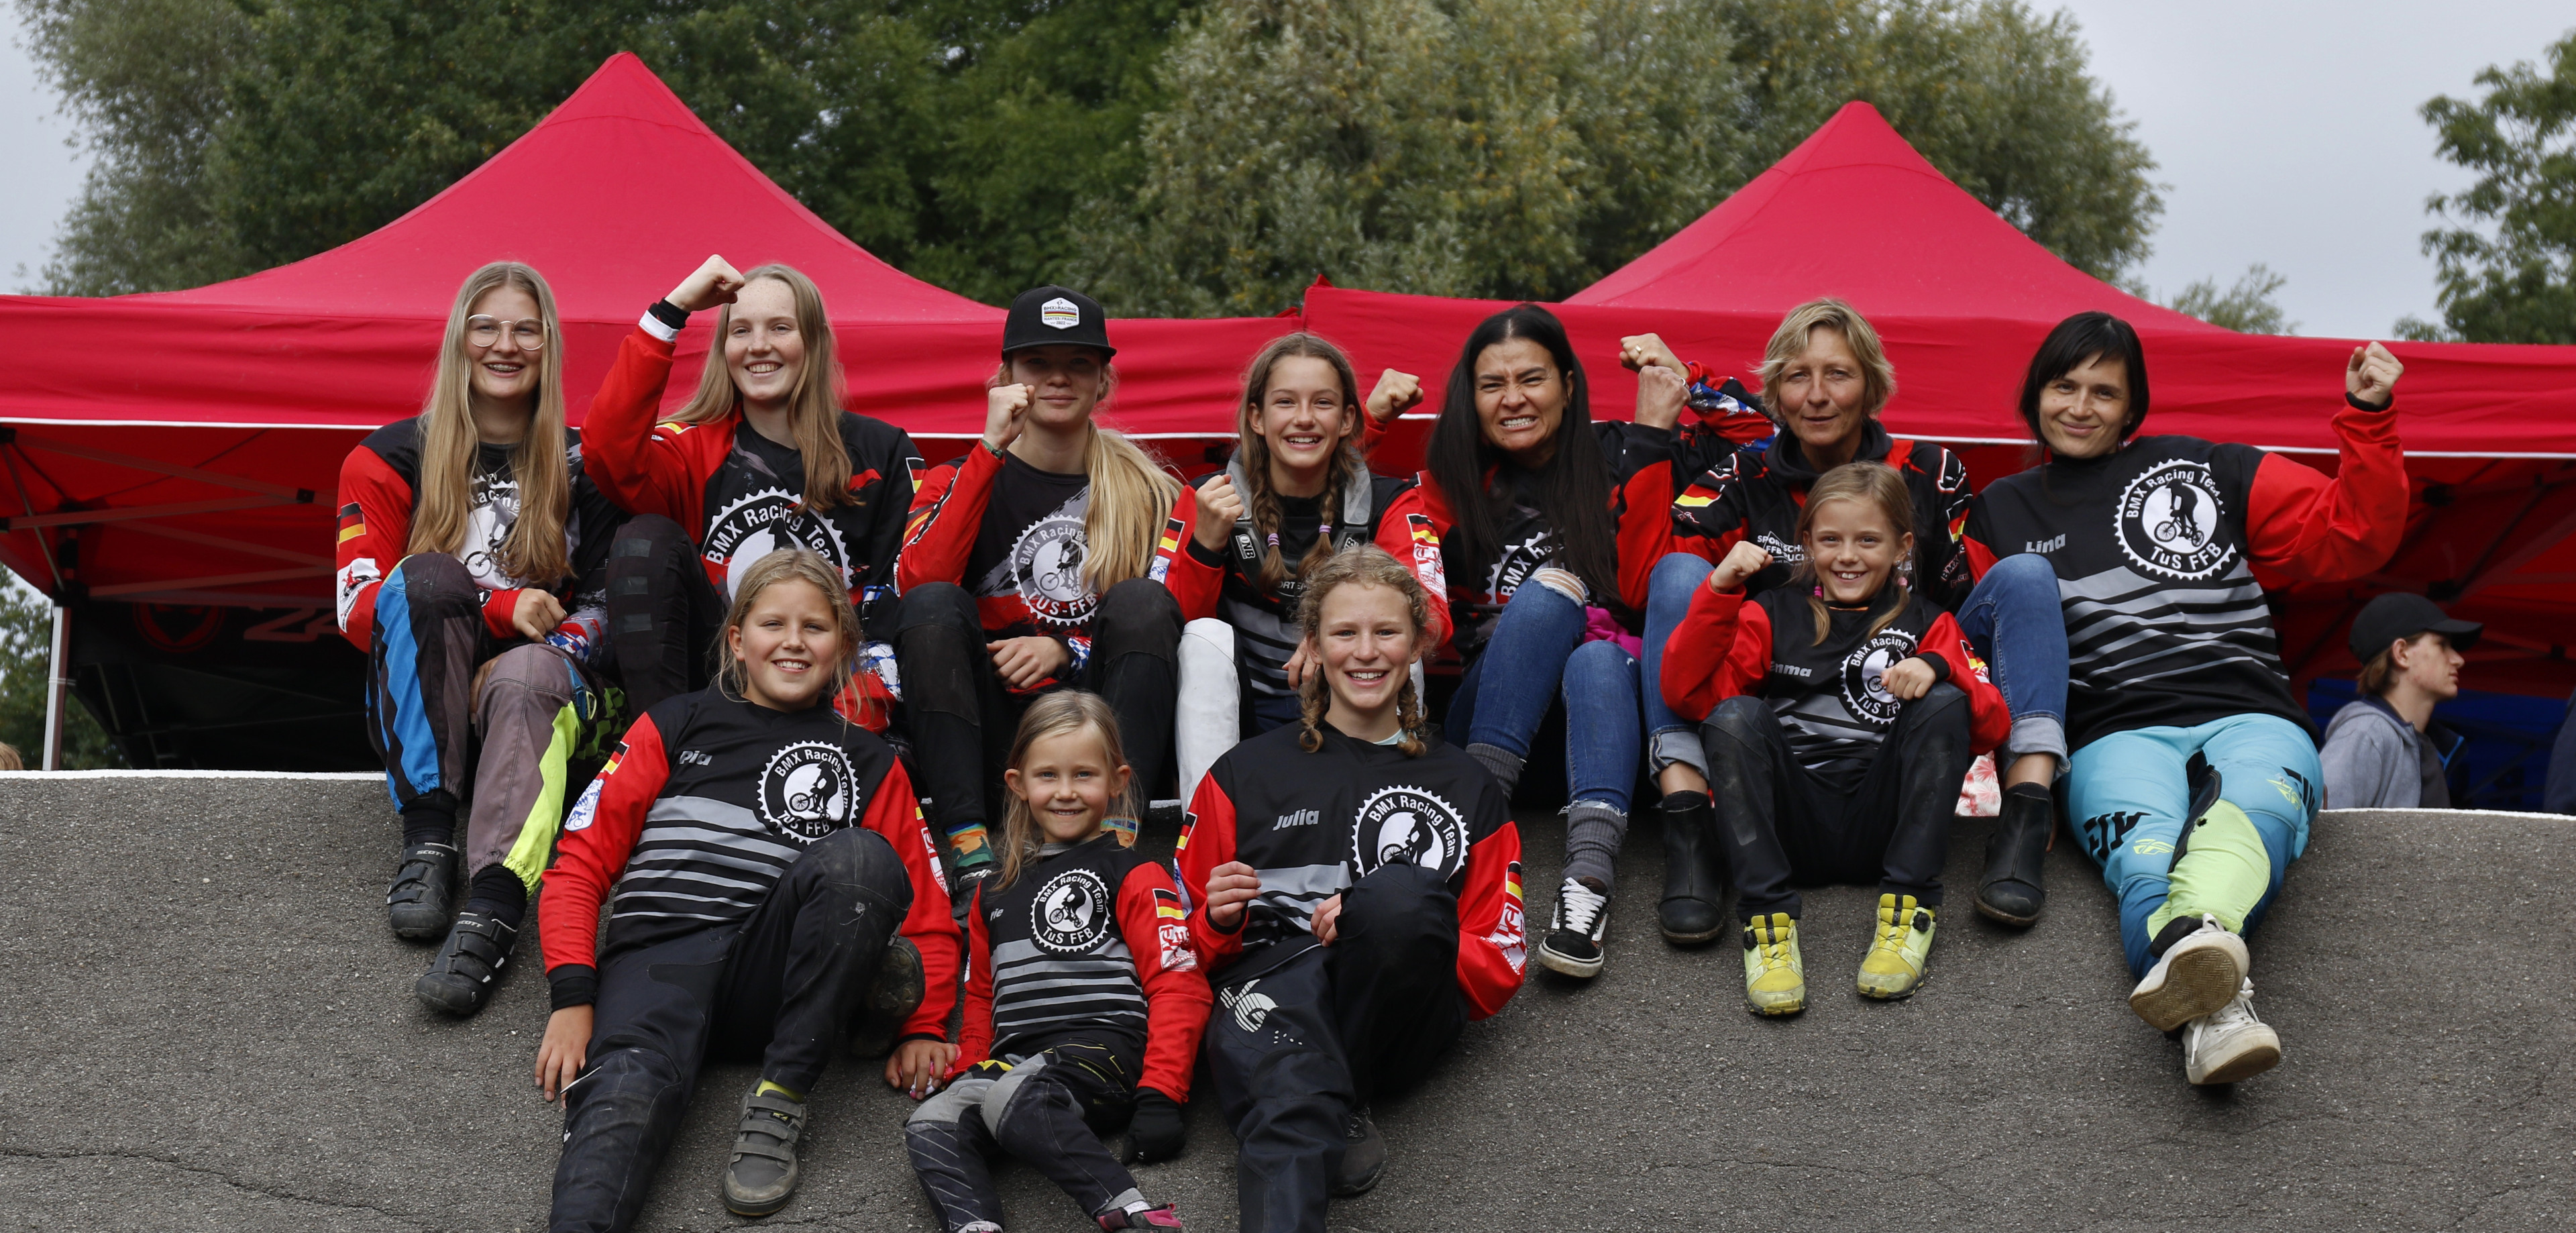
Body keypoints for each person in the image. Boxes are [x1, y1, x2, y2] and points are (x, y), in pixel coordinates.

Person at [1963, 312, 2408, 1085]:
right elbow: (1978, 645)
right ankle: (2220, 1016)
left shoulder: (2215, 468)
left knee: (2252, 818)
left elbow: (2356, 531)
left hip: (2250, 710)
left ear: (2133, 407)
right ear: (2034, 395)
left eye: (2105, 391)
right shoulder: (1998, 510)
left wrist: (2368, 419)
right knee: (2146, 860)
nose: (2080, 405)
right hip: (2109, 730)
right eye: (2063, 386)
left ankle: (2207, 1013)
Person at [534, 549, 963, 1228]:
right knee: (618, 1104)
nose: (794, 641)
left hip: (775, 980)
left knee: (863, 859)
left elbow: (931, 911)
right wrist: (572, 995)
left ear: (845, 645)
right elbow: (578, 863)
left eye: (816, 628)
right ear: (737, 638)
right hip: (657, 964)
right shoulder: (673, 723)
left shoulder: (871, 758)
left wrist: (925, 1025)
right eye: (773, 623)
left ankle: (781, 1094)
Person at [1635, 299, 2070, 943]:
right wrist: (1650, 436)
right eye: (1796, 376)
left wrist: (1939, 662)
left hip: (1905, 683)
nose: (1816, 395)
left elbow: (1972, 600)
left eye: (1837, 374)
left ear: (1872, 385)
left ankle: (2027, 813)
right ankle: (1689, 818)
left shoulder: (1933, 469)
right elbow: (1644, 585)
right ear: (1775, 392)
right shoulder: (1737, 474)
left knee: (2028, 577)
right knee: (1677, 574)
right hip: (1772, 707)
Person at [1180, 545, 1525, 1232]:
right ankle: (1329, 1097)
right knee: (1287, 1084)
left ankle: (1331, 1083)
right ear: (1313, 645)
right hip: (1274, 997)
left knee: (1396, 895)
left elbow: (1503, 956)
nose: (1365, 652)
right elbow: (1181, 947)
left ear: (1418, 641)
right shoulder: (1241, 773)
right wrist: (1216, 922)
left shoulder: (1466, 784)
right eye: (1344, 633)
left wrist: (1377, 916)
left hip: (1402, 1014)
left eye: (1386, 631)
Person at [334, 260, 627, 1016]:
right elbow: (357, 602)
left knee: (524, 673)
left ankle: (493, 907)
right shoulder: (385, 456)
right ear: (459, 340)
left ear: (550, 344)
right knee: (429, 578)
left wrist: (536, 651)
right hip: (424, 697)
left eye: (526, 328)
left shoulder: (584, 464)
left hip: (543, 697)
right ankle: (428, 840)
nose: (507, 343)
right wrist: (493, 612)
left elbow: (607, 603)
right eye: (487, 326)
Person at [1396, 304, 1680, 981]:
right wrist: (1376, 421)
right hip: (1486, 721)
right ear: (1471, 397)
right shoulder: (1452, 482)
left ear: (1570, 384)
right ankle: (1469, 825)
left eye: (1533, 379)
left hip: (1598, 733)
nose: (1514, 399)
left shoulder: (1623, 450)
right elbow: (1383, 550)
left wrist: (1676, 381)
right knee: (1551, 592)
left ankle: (1587, 886)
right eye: (1492, 384)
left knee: (1601, 655)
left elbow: (1778, 429)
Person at [1662, 462, 2008, 1014]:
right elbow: (1690, 696)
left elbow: (1993, 727)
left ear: (1902, 547)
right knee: (1733, 717)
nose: (1847, 556)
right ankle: (1766, 925)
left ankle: (1910, 913)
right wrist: (1719, 589)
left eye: (1868, 540)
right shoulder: (1769, 611)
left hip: (1885, 828)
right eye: (1831, 540)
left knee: (1945, 702)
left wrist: (1942, 666)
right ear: (1807, 544)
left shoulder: (1930, 621)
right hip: (1791, 828)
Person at [896, 286, 1186, 875]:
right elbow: (918, 584)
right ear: (1005, 376)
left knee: (1141, 600)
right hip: (989, 729)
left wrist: (1066, 650)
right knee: (932, 604)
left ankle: (1118, 837)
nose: (1059, 379)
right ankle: (969, 843)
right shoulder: (957, 475)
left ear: (1103, 380)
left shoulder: (1154, 491)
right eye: (1038, 364)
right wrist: (989, 450)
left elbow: (1173, 613)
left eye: (1078, 364)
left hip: (1098, 736)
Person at [906, 691, 1212, 1233]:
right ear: (1018, 785)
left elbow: (1177, 984)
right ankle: (975, 1226)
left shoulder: (1136, 874)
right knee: (931, 1121)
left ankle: (1133, 1213)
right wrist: (967, 1065)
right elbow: (981, 995)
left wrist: (1162, 1093)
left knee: (1016, 1096)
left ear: (1117, 780)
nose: (1066, 792)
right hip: (1019, 1065)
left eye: (1084, 775)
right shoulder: (991, 894)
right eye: (1048, 776)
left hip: (1107, 1051)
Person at [583, 256, 924, 718]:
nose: (759, 346)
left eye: (780, 328)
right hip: (715, 679)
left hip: (835, 689)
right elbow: (606, 452)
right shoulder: (689, 446)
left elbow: (898, 591)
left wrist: (851, 724)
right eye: (740, 331)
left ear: (816, 342)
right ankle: (663, 745)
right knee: (643, 538)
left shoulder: (882, 451)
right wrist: (672, 310)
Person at [1165, 332, 1446, 796]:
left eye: (1322, 403)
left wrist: (1332, 638)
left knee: (1404, 628)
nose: (1303, 419)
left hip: (1348, 698)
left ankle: (1390, 804)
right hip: (1240, 714)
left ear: (1347, 418)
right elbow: (1165, 629)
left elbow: (1433, 616)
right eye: (1285, 402)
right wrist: (1205, 547)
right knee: (1204, 637)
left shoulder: (1390, 501)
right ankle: (1202, 841)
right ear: (1256, 417)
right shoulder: (1209, 497)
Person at [2319, 592, 2476, 809]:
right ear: (2402, 654)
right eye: (2442, 645)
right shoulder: (2366, 733)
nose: (2459, 659)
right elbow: (2321, 833)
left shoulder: (2427, 747)